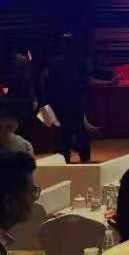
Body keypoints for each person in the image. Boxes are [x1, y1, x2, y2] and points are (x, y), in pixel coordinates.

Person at [43, 33, 91, 163]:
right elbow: (85, 82)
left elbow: (50, 84)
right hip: (76, 100)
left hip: (60, 101)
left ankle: (64, 156)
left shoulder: (54, 62)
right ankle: (85, 156)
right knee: (79, 127)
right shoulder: (80, 60)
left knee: (63, 130)